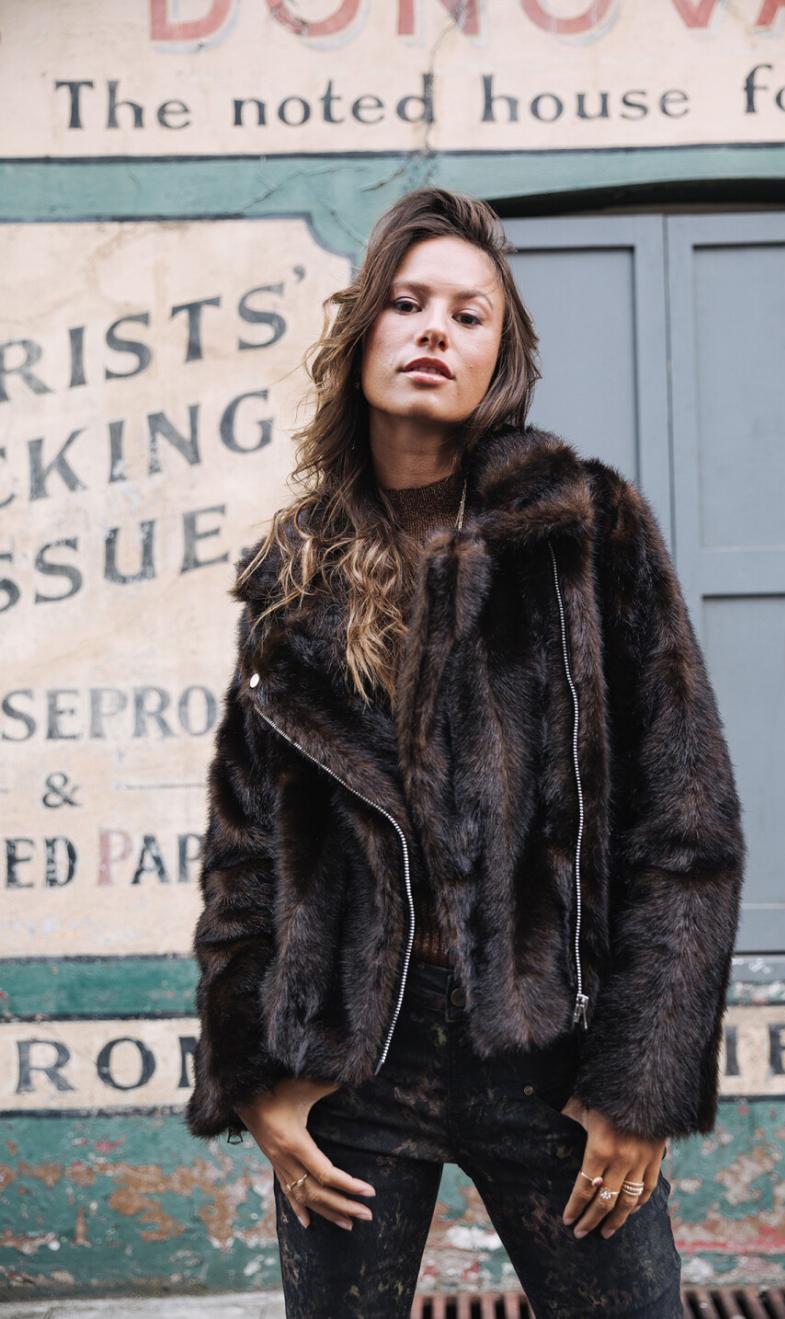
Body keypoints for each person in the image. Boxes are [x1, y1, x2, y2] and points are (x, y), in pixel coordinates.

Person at [184, 186, 746, 1318]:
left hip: (555, 1053)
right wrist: (252, 1076)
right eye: (407, 302)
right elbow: (244, 852)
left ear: (502, 357)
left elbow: (686, 825)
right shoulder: (294, 575)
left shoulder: (584, 529)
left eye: (468, 312)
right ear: (361, 334)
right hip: (348, 1064)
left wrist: (640, 1080)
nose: (434, 329)